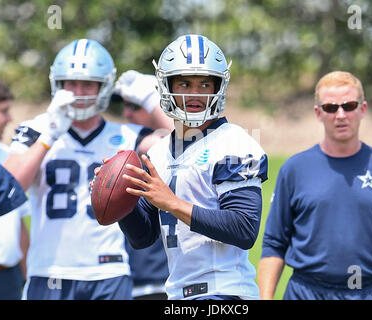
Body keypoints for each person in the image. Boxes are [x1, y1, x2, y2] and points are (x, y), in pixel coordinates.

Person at [4, 39, 161, 300]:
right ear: (58, 83)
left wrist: (152, 100)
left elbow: (182, 144)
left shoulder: (127, 135)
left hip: (108, 271)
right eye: (70, 83)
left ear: (104, 86)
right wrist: (49, 135)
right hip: (49, 270)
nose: (78, 92)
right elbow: (8, 189)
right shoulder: (37, 128)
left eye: (88, 84)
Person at [114, 34, 268, 300]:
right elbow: (143, 238)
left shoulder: (234, 143)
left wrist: (172, 204)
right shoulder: (158, 152)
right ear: (166, 85)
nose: (194, 94)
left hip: (226, 293)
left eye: (204, 84)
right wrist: (119, 199)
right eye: (184, 83)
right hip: (178, 294)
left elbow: (244, 228)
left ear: (217, 87)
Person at [258, 71, 372, 300]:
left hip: (371, 292)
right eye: (331, 107)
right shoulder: (294, 169)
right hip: (306, 293)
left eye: (349, 105)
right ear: (318, 113)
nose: (340, 115)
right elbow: (274, 243)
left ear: (362, 109)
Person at [113, 71, 171, 300]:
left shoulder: (171, 149)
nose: (127, 113)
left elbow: (185, 142)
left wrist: (152, 100)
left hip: (158, 277)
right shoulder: (125, 139)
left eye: (136, 106)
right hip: (120, 275)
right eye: (126, 106)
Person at [0, 79, 29, 300]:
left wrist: (26, 278)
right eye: (2, 111)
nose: (9, 119)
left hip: (8, 278)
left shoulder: (11, 157)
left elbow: (20, 226)